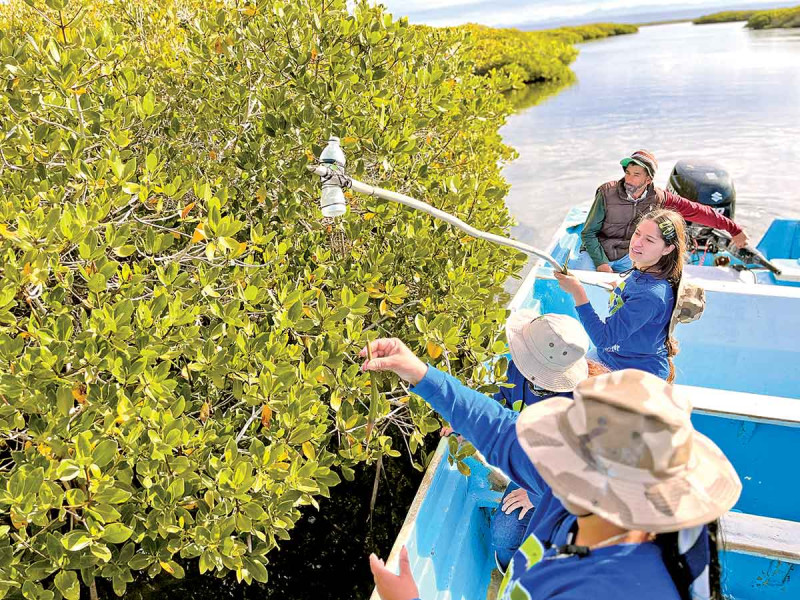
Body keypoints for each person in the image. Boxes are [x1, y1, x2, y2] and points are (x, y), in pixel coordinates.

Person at [363, 342, 741, 600]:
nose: (551, 455)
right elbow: (496, 428)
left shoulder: (615, 588)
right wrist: (417, 371)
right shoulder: (580, 494)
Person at [555, 208, 686, 382]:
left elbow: (603, 339)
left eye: (649, 240)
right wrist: (620, 290)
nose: (637, 243)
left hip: (635, 373)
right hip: (615, 356)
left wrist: (577, 293)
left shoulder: (650, 295)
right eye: (637, 233)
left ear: (668, 249)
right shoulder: (646, 269)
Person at [579, 149, 749, 273]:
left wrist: (734, 229)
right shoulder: (606, 193)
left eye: (636, 174)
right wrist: (602, 264)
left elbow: (699, 211)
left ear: (648, 179)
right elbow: (588, 234)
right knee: (583, 283)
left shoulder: (660, 198)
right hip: (597, 251)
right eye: (628, 173)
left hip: (629, 254)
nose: (628, 179)